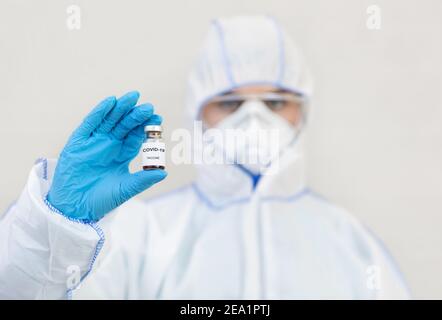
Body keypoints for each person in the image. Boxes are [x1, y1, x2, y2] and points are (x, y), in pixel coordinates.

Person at [0, 15, 409, 299]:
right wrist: (52, 230)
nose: (255, 118)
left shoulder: (350, 243)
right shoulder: (141, 236)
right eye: (231, 104)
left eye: (275, 102)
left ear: (303, 112)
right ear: (198, 113)